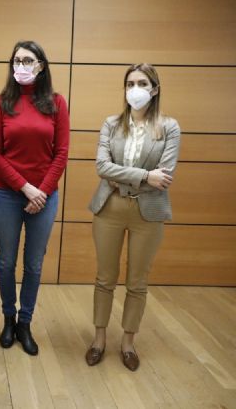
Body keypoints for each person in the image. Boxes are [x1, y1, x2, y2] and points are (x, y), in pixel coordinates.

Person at [85, 63, 180, 371]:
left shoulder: (169, 127)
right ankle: (99, 340)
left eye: (142, 83)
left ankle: (128, 343)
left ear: (155, 89)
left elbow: (164, 177)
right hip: (109, 208)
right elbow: (102, 167)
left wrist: (123, 177)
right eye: (130, 84)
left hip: (148, 212)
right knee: (105, 277)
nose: (134, 89)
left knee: (137, 281)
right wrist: (145, 176)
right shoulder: (111, 124)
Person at [0, 41, 70, 356]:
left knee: (34, 264)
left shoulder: (57, 103)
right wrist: (26, 188)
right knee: (6, 261)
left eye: (28, 60)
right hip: (7, 195)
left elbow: (61, 154)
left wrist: (41, 191)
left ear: (41, 66)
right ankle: (8, 318)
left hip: (44, 198)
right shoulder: (0, 103)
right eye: (17, 60)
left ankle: (25, 322)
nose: (21, 65)